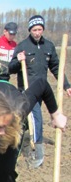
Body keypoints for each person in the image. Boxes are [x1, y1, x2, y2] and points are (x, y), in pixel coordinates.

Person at [9, 15, 71, 168]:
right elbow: (11, 68)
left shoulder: (48, 47)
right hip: (26, 91)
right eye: (34, 30)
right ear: (30, 30)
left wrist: (67, 85)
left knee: (26, 122)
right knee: (36, 118)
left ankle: (16, 147)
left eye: (40, 29)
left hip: (42, 91)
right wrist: (18, 60)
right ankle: (38, 155)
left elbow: (56, 68)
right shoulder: (23, 45)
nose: (37, 32)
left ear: (43, 29)